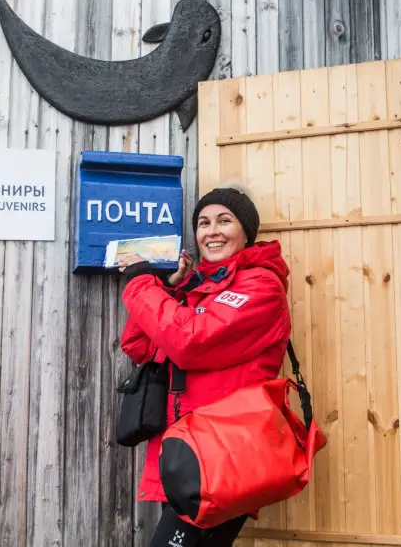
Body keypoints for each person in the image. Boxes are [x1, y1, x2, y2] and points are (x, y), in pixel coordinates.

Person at [116, 184, 292, 547]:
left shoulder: (261, 287)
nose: (212, 231)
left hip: (223, 452)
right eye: (203, 222)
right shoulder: (202, 288)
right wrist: (165, 288)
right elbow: (140, 345)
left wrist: (139, 284)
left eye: (224, 221)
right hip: (186, 449)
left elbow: (189, 341)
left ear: (246, 231)